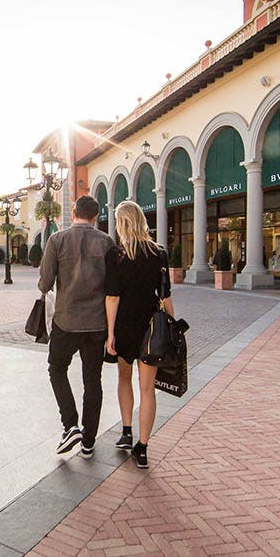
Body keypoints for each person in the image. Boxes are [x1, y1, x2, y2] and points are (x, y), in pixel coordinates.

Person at [38, 195, 117, 458]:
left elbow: (45, 283)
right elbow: (114, 287)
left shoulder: (57, 239)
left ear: (73, 213)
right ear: (96, 217)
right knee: (92, 380)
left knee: (56, 369)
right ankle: (89, 442)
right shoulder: (106, 242)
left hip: (66, 321)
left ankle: (70, 425)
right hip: (97, 324)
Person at [104, 201, 175, 469]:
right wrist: (172, 324)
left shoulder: (117, 255)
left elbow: (112, 297)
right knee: (148, 389)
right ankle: (142, 448)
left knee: (124, 377)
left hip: (124, 325)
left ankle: (126, 431)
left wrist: (110, 333)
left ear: (121, 223)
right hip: (151, 327)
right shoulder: (159, 253)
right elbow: (166, 295)